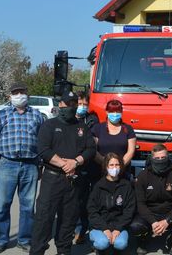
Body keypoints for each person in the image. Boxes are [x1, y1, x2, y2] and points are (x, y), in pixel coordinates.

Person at [30, 91, 96, 255]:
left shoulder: (82, 127)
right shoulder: (49, 125)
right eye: (68, 104)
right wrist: (63, 164)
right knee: (44, 219)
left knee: (68, 220)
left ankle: (64, 250)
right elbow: (43, 149)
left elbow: (91, 149)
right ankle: (37, 251)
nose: (72, 107)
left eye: (75, 104)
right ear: (60, 105)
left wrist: (76, 162)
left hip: (73, 181)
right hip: (52, 179)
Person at [0, 82, 44, 254]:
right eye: (15, 92)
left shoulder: (37, 115)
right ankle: (1, 240)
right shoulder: (0, 115)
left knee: (27, 206)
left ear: (28, 94)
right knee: (2, 205)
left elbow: (42, 142)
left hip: (30, 165)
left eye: (22, 92)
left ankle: (24, 239)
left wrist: (40, 165)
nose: (19, 95)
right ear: (9, 96)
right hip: (6, 164)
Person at [130, 144, 172, 255]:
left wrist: (167, 220)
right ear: (151, 159)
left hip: (170, 212)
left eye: (163, 158)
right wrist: (153, 222)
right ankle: (143, 240)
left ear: (168, 158)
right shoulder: (143, 176)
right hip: (150, 213)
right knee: (135, 226)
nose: (160, 161)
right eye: (157, 158)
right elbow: (140, 203)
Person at [87, 153, 135, 255]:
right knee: (102, 243)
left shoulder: (126, 185)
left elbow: (129, 210)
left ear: (121, 166)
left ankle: (114, 248)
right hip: (100, 226)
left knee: (120, 244)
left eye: (117, 165)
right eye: (111, 165)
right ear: (106, 167)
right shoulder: (98, 186)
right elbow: (92, 211)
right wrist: (105, 229)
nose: (114, 168)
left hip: (120, 225)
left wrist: (118, 229)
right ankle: (99, 248)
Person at [74, 90, 101, 245]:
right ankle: (79, 229)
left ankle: (92, 227)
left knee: (92, 198)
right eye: (79, 104)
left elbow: (93, 141)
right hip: (77, 165)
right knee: (78, 200)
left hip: (92, 164)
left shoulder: (92, 119)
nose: (82, 107)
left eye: (85, 104)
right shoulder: (70, 120)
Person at [91, 99, 136, 177]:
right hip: (101, 172)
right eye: (112, 111)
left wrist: (119, 167)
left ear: (121, 112)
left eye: (118, 112)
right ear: (107, 112)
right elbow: (93, 151)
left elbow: (130, 151)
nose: (115, 114)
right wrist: (107, 166)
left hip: (122, 172)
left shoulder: (128, 129)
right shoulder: (97, 128)